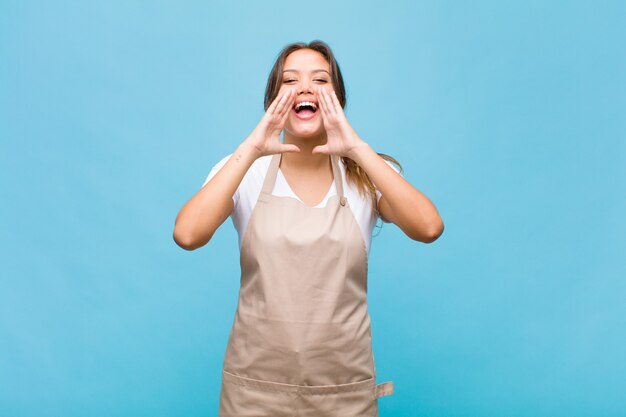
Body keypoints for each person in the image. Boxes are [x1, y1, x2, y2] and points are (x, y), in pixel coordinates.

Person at [173, 40, 444, 416]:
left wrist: (355, 147)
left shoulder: (365, 175)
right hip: (254, 394)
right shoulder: (243, 172)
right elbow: (187, 235)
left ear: (338, 99)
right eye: (289, 81)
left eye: (320, 80)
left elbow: (429, 227)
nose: (304, 88)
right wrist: (252, 146)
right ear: (272, 101)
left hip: (344, 394)